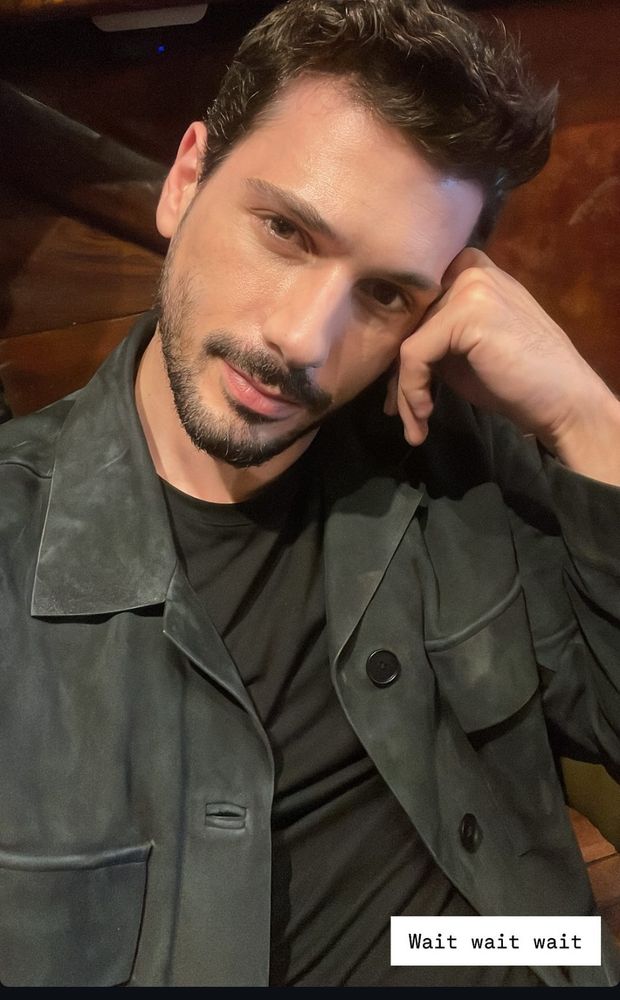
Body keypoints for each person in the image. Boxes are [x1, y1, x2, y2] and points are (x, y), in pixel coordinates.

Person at [0, 0, 619, 988]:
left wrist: (588, 418)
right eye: (285, 230)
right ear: (185, 181)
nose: (301, 339)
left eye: (385, 293)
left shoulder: (450, 461)